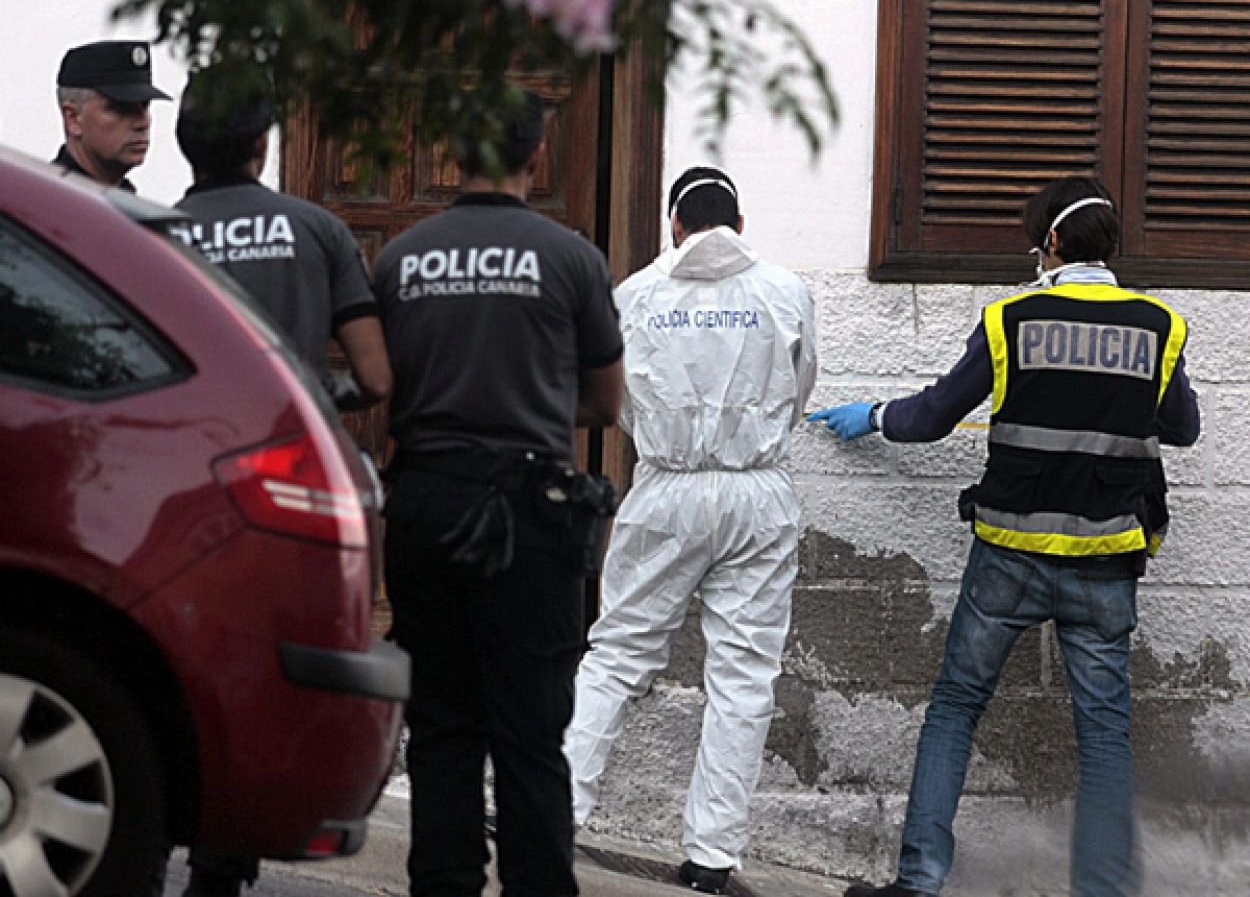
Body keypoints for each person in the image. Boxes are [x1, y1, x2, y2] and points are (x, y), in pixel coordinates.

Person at [811, 176, 1200, 897]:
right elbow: (1183, 429)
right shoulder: (1159, 326)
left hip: (1009, 555)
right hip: (1107, 558)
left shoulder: (1010, 319)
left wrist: (874, 415)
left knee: (957, 706)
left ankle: (918, 881)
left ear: (1051, 241)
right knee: (1104, 733)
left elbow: (934, 416)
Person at [372, 85, 623, 897]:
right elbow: (605, 401)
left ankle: (444, 884)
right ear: (536, 153)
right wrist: (532, 402)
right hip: (529, 511)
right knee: (531, 729)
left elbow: (381, 382)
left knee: (441, 725)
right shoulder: (572, 258)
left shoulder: (400, 258)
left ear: (452, 152)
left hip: (426, 503)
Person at [563, 167, 816, 894]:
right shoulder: (785, 291)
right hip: (757, 492)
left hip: (666, 487)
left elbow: (610, 399)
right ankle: (712, 856)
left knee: (616, 654)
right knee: (743, 676)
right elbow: (800, 388)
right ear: (739, 224)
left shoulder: (636, 293)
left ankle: (555, 811)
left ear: (674, 224)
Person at [174, 68, 391, 411]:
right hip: (294, 428)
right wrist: (319, 395)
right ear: (262, 142)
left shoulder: (155, 237)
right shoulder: (321, 229)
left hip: (201, 434)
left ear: (183, 144)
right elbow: (375, 378)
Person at [53, 40, 168, 191]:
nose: (143, 123)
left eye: (145, 106)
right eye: (121, 108)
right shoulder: (44, 201)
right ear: (73, 118)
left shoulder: (129, 201)